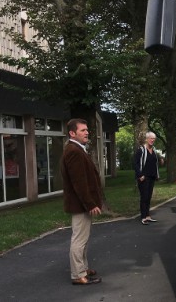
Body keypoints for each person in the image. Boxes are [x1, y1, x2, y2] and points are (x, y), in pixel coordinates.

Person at [61, 118, 105, 286]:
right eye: (83, 130)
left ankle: (83, 269)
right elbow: (78, 182)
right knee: (79, 240)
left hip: (83, 204)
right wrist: (90, 203)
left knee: (83, 238)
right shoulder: (73, 151)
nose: (87, 132)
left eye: (87, 130)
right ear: (72, 133)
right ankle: (78, 274)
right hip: (80, 205)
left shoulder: (77, 149)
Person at [134, 131, 161, 225]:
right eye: (150, 138)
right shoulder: (141, 150)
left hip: (152, 177)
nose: (152, 140)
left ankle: (148, 215)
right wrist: (140, 175)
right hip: (143, 178)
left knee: (149, 197)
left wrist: (157, 175)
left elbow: (155, 164)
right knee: (144, 197)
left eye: (154, 139)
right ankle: (143, 217)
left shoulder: (153, 150)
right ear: (147, 139)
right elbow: (135, 163)